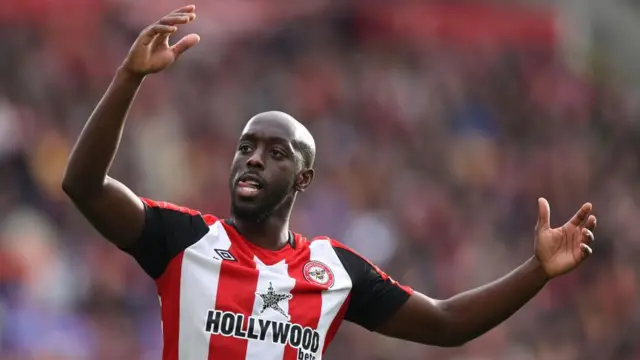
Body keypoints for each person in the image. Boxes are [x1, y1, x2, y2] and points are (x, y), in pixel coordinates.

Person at [62, 5, 597, 360]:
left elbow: (446, 322)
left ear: (303, 178)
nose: (252, 160)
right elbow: (84, 187)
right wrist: (129, 78)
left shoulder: (335, 270)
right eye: (245, 148)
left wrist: (536, 271)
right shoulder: (184, 241)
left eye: (275, 153)